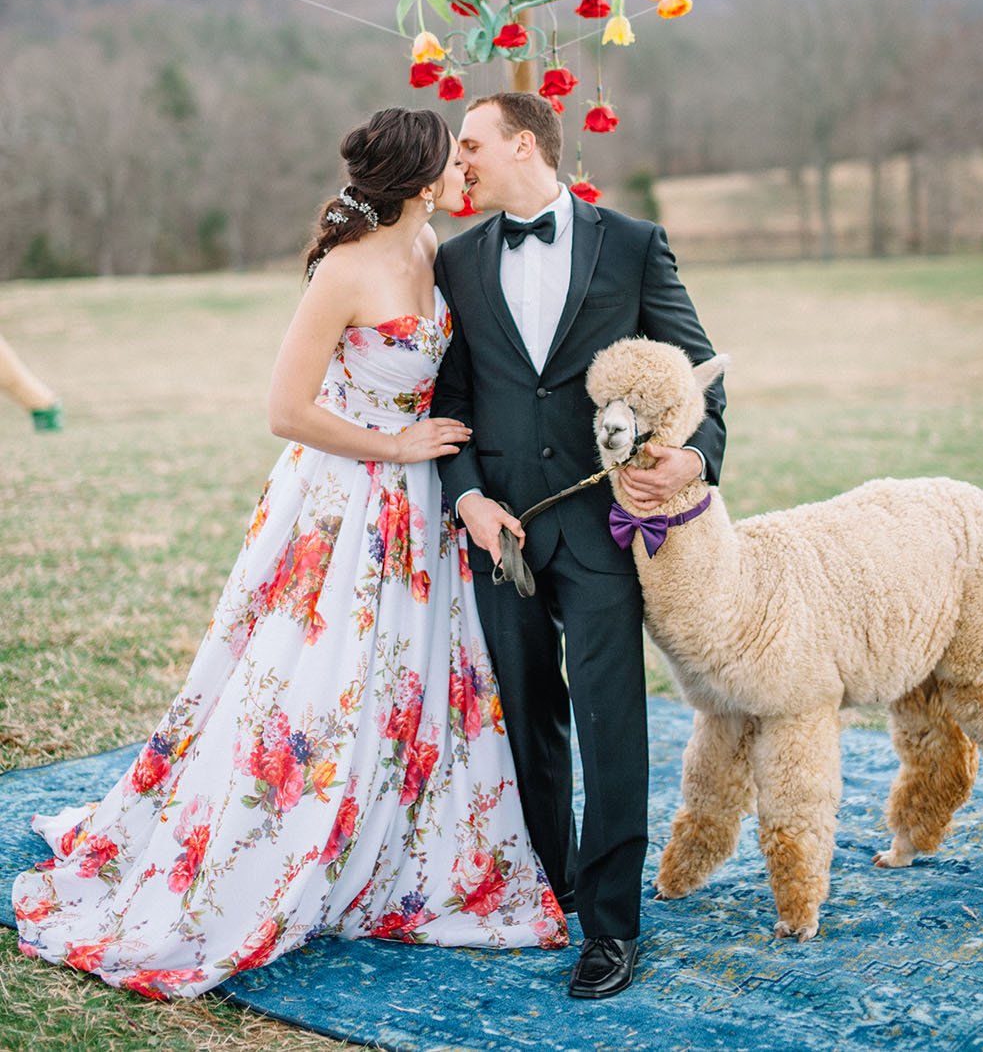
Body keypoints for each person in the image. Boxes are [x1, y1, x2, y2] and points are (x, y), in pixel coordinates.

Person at [13, 107, 568, 999]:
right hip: (344, 497)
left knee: (413, 679)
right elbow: (284, 407)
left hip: (421, 507)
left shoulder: (431, 253)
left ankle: (392, 845)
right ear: (424, 181)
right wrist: (394, 445)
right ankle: (272, 841)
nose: (464, 166)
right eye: (452, 155)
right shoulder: (345, 271)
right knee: (316, 677)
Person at [431, 92, 726, 1000]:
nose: (462, 161)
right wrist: (470, 499)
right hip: (502, 533)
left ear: (526, 143)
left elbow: (703, 371)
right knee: (526, 715)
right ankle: (547, 884)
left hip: (605, 528)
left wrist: (693, 459)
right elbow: (452, 400)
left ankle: (611, 925)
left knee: (610, 723)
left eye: (473, 144)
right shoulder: (456, 259)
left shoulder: (633, 243)